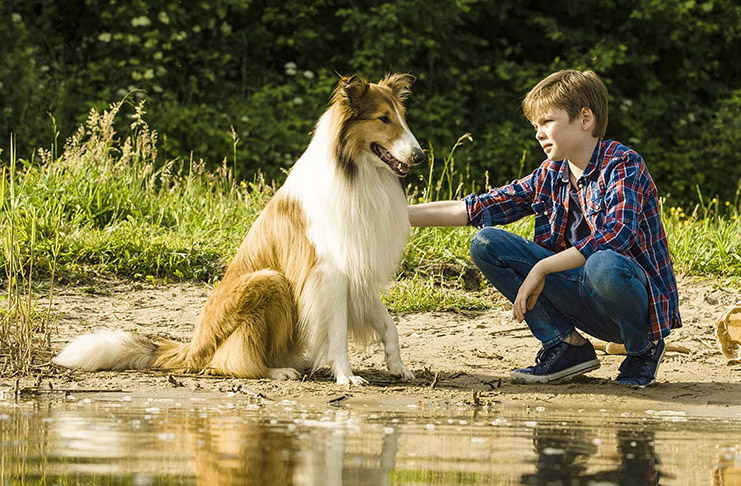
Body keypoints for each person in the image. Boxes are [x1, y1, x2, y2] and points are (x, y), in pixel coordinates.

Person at [408, 69, 681, 387]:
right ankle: (565, 346)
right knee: (486, 242)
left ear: (585, 119)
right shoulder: (550, 173)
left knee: (603, 262)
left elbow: (615, 235)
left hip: (633, 306)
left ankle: (643, 348)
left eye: (547, 122)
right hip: (585, 302)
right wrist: (392, 214)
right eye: (535, 126)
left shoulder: (622, 163)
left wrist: (542, 268)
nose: (538, 133)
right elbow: (476, 208)